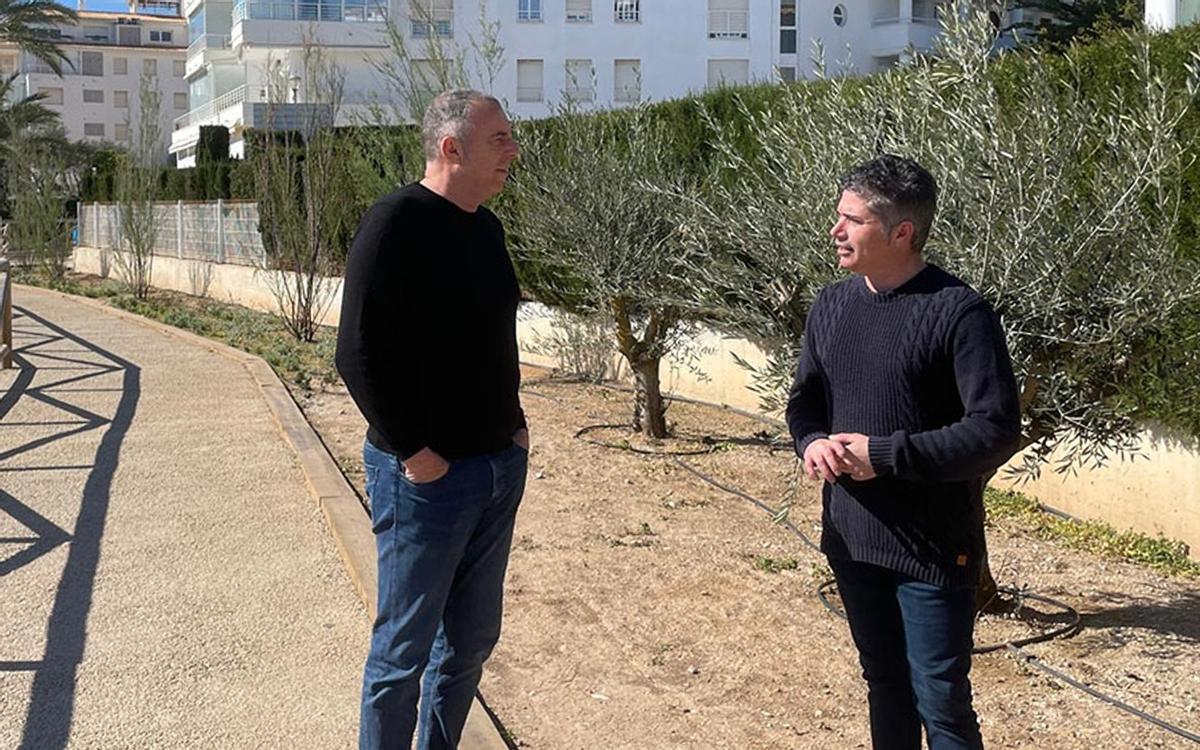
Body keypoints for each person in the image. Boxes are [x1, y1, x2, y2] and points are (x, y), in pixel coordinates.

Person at [786, 154, 1021, 749]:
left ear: (902, 233)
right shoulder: (831, 306)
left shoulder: (959, 313)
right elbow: (804, 402)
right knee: (885, 684)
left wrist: (885, 454)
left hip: (932, 550)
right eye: (839, 216)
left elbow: (993, 430)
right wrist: (811, 442)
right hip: (851, 538)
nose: (835, 231)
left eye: (851, 220)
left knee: (941, 702)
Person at [335, 89, 527, 750]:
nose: (513, 151)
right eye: (499, 139)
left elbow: (492, 337)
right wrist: (416, 452)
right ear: (452, 148)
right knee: (402, 655)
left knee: (471, 643)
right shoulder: (395, 223)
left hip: (497, 467)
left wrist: (517, 426)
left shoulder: (487, 227)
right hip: (424, 480)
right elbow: (356, 353)